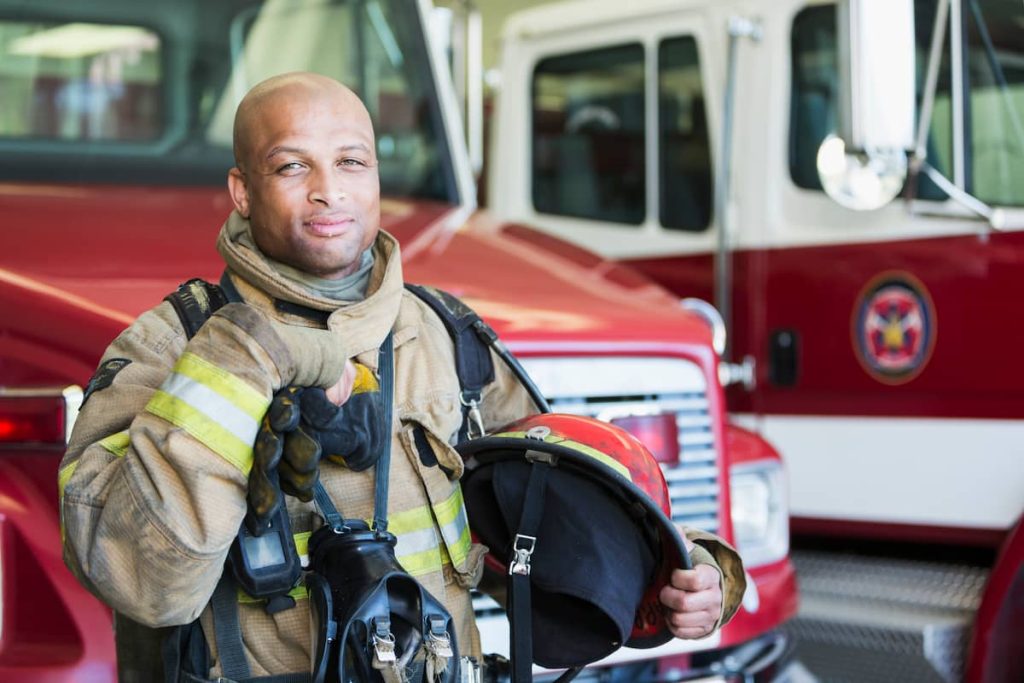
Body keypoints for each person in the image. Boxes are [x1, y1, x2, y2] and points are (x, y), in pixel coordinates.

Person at [59, 72, 743, 681]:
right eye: (292, 166)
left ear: (376, 177)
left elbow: (562, 522)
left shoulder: (443, 335)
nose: (329, 190)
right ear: (242, 191)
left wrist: (688, 577)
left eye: (351, 162)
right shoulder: (170, 346)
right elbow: (147, 585)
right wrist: (237, 367)